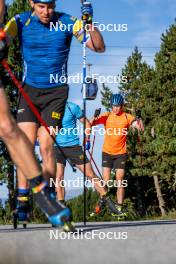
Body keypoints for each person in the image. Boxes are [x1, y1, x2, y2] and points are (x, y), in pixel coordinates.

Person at [0, 0, 105, 222]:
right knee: (25, 144)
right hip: (29, 91)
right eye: (40, 7)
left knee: (47, 146)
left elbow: (98, 47)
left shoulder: (67, 21)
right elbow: (4, 38)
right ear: (31, 4)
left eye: (49, 6)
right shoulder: (20, 21)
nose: (46, 12)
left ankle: (46, 199)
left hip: (56, 93)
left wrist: (89, 23)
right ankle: (23, 199)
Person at [54, 101, 123, 216]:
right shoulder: (50, 108)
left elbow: (86, 123)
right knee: (58, 177)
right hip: (57, 147)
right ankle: (61, 211)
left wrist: (87, 138)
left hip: (73, 146)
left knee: (90, 174)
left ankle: (109, 202)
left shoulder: (72, 107)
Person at [91, 93, 144, 217]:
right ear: (111, 106)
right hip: (107, 152)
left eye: (118, 106)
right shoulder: (107, 116)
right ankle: (101, 201)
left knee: (119, 181)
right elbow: (90, 124)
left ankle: (119, 207)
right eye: (114, 106)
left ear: (122, 106)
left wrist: (139, 118)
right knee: (105, 181)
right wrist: (94, 117)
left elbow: (140, 129)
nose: (116, 109)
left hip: (121, 153)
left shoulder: (127, 117)